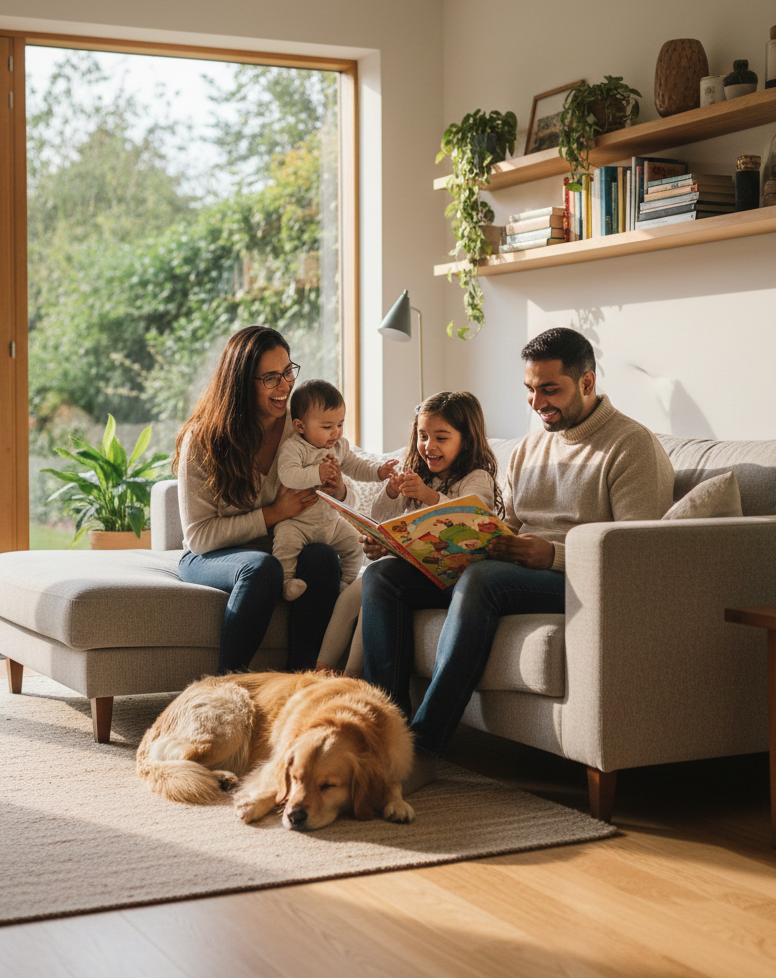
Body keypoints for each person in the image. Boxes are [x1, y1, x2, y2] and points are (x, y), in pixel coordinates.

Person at [362, 327, 675, 792]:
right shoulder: (529, 448)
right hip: (508, 566)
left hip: (574, 580)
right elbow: (505, 524)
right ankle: (385, 737)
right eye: (529, 389)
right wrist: (436, 540)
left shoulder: (631, 446)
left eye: (550, 390)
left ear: (587, 383)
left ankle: (424, 750)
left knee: (485, 580)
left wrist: (552, 555)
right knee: (385, 577)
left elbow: (638, 556)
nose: (536, 402)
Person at [174, 325, 351, 675]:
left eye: (288, 372)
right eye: (271, 378)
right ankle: (225, 686)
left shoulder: (299, 426)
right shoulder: (204, 439)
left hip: (284, 544)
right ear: (241, 382)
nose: (285, 386)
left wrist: (338, 489)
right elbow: (199, 537)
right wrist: (274, 513)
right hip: (211, 556)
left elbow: (344, 467)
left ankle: (302, 685)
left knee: (322, 557)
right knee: (261, 567)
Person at [315, 390, 503, 674]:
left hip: (454, 576)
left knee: (374, 593)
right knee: (353, 593)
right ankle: (320, 670)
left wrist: (429, 497)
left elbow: (471, 518)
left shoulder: (476, 478)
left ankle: (351, 677)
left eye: (441, 437)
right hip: (408, 568)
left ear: (466, 441)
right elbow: (378, 518)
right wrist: (390, 496)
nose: (429, 445)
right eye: (423, 435)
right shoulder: (417, 475)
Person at [274, 378, 398, 601]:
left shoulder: (340, 447)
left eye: (340, 424)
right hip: (298, 523)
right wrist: (317, 474)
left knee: (354, 543)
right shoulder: (294, 447)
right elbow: (288, 475)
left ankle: (346, 583)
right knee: (284, 543)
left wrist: (379, 471)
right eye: (327, 427)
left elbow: (357, 466)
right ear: (300, 426)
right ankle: (286, 583)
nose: (336, 433)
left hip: (330, 523)